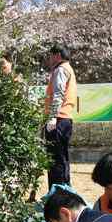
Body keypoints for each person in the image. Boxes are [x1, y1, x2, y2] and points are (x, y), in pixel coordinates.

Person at [43, 43, 77, 188]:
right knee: (62, 158)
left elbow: (58, 94)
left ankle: (57, 192)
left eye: (51, 56)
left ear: (57, 55)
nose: (49, 59)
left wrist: (52, 117)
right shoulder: (69, 69)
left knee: (56, 159)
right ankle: (63, 190)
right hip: (65, 119)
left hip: (58, 119)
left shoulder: (61, 70)